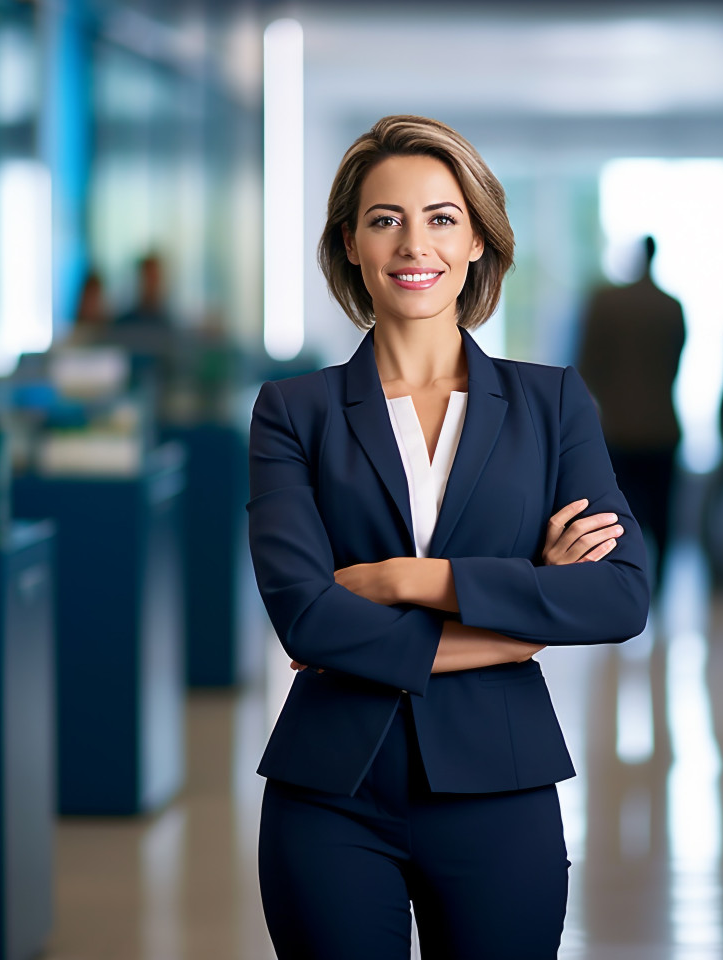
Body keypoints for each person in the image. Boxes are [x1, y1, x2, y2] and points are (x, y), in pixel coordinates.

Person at [247, 115, 649, 960]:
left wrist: (407, 581)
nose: (413, 244)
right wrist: (518, 630)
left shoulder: (552, 404)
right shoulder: (293, 411)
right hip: (331, 794)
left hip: (502, 788)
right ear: (351, 244)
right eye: (384, 219)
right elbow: (307, 621)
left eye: (440, 217)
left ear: (476, 242)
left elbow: (619, 594)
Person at [577, 235, 685, 597]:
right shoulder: (670, 307)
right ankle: (661, 588)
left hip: (617, 428)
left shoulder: (606, 303)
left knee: (617, 515)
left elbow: (587, 364)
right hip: (663, 426)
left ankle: (622, 583)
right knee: (663, 514)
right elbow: (674, 365)